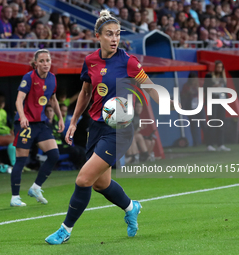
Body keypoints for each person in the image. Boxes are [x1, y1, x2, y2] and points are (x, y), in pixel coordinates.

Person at [45, 9, 167, 245]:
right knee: (101, 183)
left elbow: (150, 87)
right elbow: (86, 92)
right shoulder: (90, 61)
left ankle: (65, 230)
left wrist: (168, 102)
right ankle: (132, 207)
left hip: (119, 129)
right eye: (109, 34)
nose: (114, 38)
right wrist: (73, 122)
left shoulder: (128, 61)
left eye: (118, 34)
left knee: (83, 179)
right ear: (97, 36)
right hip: (96, 127)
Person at [11, 49, 64, 207]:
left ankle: (36, 187)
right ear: (35, 64)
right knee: (21, 160)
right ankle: (14, 197)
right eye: (42, 61)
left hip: (40, 123)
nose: (45, 63)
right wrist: (23, 116)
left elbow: (53, 100)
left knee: (54, 155)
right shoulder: (29, 78)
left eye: (47, 60)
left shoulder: (52, 79)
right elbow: (19, 100)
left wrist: (60, 118)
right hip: (25, 123)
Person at [204, 60, 231, 152]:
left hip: (222, 101)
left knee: (221, 122)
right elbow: (205, 88)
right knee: (212, 122)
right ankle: (209, 144)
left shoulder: (223, 77)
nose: (219, 69)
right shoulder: (209, 76)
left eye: (221, 67)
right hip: (212, 100)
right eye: (218, 67)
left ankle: (221, 144)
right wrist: (214, 86)